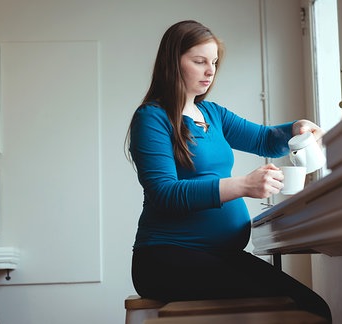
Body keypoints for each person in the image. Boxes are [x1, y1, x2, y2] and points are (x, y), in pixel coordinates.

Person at [125, 20, 331, 322]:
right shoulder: (152, 118)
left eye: (214, 62)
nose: (210, 71)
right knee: (299, 310)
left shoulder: (212, 113)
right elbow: (164, 193)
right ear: (172, 62)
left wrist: (296, 128)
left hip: (221, 256)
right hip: (166, 259)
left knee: (315, 308)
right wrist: (243, 186)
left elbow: (263, 139)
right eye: (199, 62)